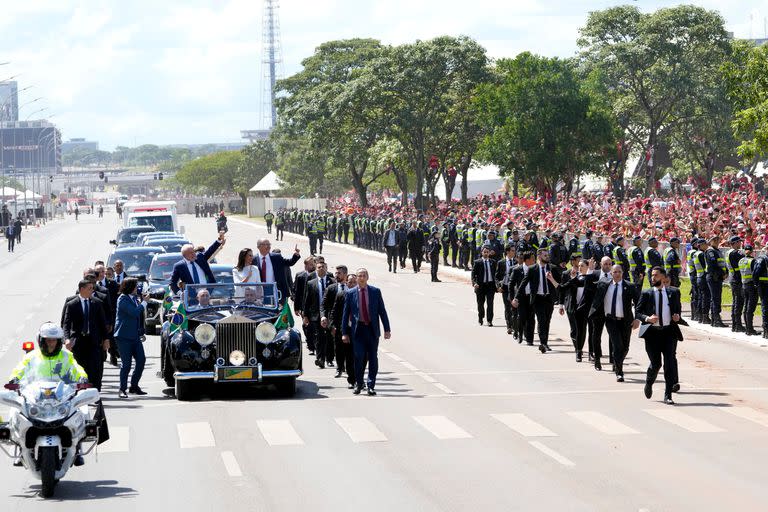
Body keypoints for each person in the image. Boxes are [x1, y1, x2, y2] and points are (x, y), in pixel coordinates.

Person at [635, 267, 686, 405]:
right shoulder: (647, 293)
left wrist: (677, 317)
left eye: (656, 275)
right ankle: (649, 382)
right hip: (652, 334)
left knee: (669, 363)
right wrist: (647, 318)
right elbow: (637, 312)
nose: (653, 278)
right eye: (652, 275)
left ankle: (668, 394)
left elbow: (677, 311)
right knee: (656, 364)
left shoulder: (674, 292)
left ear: (663, 278)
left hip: (669, 333)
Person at [341, 268, 391, 396]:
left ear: (367, 277)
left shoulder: (375, 291)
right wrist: (344, 333)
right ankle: (358, 383)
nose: (361, 278)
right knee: (358, 357)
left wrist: (387, 329)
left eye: (363, 276)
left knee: (373, 358)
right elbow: (345, 314)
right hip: (358, 331)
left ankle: (371, 385)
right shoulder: (351, 293)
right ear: (356, 278)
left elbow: (382, 311)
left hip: (372, 330)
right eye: (359, 276)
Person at [589, 265, 640, 382]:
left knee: (625, 348)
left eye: (619, 272)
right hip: (610, 320)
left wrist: (637, 318)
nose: (617, 274)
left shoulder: (629, 286)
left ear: (623, 273)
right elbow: (589, 285)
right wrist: (590, 270)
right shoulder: (603, 284)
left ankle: (617, 362)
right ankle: (619, 371)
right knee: (617, 346)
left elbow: (639, 303)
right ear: (611, 274)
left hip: (626, 321)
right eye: (615, 272)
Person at [62, 280, 110, 391]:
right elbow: (66, 324)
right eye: (89, 288)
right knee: (79, 368)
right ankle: (79, 393)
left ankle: (95, 393)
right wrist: (67, 339)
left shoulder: (96, 303)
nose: (92, 290)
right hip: (78, 343)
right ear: (82, 289)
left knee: (95, 369)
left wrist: (106, 338)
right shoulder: (72, 304)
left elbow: (102, 323)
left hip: (93, 341)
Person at [512, 248, 562, 353]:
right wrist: (516, 297)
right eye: (545, 255)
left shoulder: (553, 268)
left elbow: (559, 285)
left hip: (549, 298)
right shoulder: (532, 269)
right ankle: (543, 343)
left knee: (547, 321)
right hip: (538, 298)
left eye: (548, 255)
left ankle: (545, 342)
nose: (547, 257)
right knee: (541, 320)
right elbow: (523, 284)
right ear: (539, 257)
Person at [113, 278, 147, 398]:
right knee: (126, 364)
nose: (137, 288)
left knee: (141, 360)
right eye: (135, 286)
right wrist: (144, 303)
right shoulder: (122, 299)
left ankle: (134, 386)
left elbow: (139, 318)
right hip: (123, 336)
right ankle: (122, 389)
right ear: (129, 287)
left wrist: (141, 331)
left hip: (135, 336)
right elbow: (134, 313)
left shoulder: (135, 299)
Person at [322, 266, 354, 385]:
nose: (336, 275)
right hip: (339, 326)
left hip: (354, 328)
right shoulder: (333, 290)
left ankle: (353, 376)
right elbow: (329, 308)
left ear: (345, 275)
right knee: (339, 349)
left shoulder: (356, 292)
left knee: (351, 353)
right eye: (335, 273)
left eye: (339, 273)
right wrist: (332, 325)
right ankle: (339, 368)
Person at [559, 257, 594, 362]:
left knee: (592, 331)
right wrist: (561, 305)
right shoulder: (575, 278)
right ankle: (578, 351)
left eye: (582, 266)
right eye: (579, 266)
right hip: (577, 308)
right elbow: (562, 289)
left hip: (589, 308)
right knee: (579, 331)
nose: (579, 268)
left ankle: (591, 353)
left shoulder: (591, 278)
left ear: (588, 267)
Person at [303, 261, 334, 369]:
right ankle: (320, 359)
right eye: (319, 267)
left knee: (329, 337)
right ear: (316, 269)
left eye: (323, 267)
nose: (321, 269)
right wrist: (305, 315)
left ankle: (330, 359)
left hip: (330, 314)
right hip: (316, 315)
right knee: (319, 337)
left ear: (326, 268)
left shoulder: (332, 282)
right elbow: (307, 300)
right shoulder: (311, 283)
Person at [253, 238, 301, 305]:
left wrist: (296, 255)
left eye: (269, 244)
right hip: (260, 291)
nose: (268, 246)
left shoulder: (276, 257)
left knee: (278, 312)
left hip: (276, 290)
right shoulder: (254, 259)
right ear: (259, 246)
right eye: (266, 244)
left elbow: (289, 262)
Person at [472, 247, 498, 327]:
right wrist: (475, 283)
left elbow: (496, 275)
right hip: (480, 286)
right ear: (482, 253)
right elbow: (473, 274)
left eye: (487, 252)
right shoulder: (477, 262)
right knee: (480, 304)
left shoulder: (493, 262)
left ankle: (489, 320)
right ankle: (480, 318)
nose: (486, 253)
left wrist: (497, 285)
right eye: (484, 252)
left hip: (490, 286)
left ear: (489, 253)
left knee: (490, 304)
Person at [704, 235, 727, 327]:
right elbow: (712, 265)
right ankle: (716, 319)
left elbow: (722, 263)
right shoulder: (710, 251)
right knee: (715, 298)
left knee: (717, 298)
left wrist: (726, 272)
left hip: (718, 277)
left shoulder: (718, 251)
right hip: (714, 277)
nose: (717, 241)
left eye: (718, 239)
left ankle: (715, 319)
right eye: (715, 240)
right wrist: (722, 273)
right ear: (711, 241)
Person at [726, 236, 745, 332]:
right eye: (739, 242)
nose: (740, 243)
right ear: (734, 243)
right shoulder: (735, 253)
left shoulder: (729, 252)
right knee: (738, 302)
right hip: (737, 280)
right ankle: (737, 325)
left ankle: (735, 325)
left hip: (733, 279)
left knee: (735, 302)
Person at [740, 245, 760, 336]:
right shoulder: (753, 261)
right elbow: (755, 274)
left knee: (746, 306)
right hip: (752, 286)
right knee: (750, 308)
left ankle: (747, 328)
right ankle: (750, 329)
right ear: (752, 252)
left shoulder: (740, 261)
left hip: (744, 285)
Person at [496, 245, 516, 334]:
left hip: (515, 289)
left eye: (514, 250)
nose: (514, 252)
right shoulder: (501, 262)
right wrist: (498, 286)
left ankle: (515, 325)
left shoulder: (516, 262)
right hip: (505, 288)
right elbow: (496, 276)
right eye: (512, 250)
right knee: (507, 307)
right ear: (507, 252)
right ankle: (509, 326)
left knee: (514, 307)